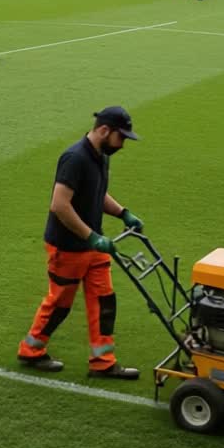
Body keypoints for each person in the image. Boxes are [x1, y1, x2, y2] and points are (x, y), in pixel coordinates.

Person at [16, 106, 144, 380]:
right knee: (60, 304)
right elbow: (59, 205)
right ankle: (31, 351)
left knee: (104, 301)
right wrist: (92, 237)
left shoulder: (101, 156)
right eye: (121, 138)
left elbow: (97, 192)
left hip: (92, 247)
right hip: (67, 247)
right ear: (103, 130)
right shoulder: (75, 158)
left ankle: (103, 362)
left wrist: (123, 213)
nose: (122, 144)